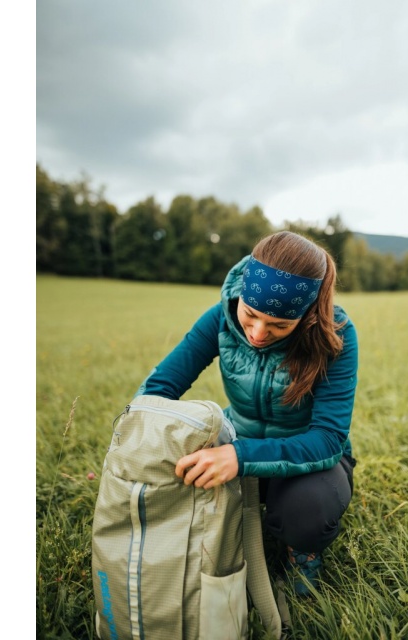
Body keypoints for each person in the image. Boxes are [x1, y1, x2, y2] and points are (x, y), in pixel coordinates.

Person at [136, 230, 358, 596]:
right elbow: (161, 386)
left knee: (309, 510)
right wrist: (135, 428)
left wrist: (239, 457)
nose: (257, 333)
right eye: (250, 315)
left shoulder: (336, 335)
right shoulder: (221, 317)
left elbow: (328, 439)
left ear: (306, 315)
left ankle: (302, 554)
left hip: (308, 459)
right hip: (236, 439)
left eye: (279, 326)